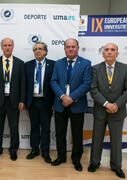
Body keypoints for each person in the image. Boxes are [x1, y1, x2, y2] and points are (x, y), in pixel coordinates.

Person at [88, 43, 127, 178]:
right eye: (106, 50)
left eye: (112, 50)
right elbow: (93, 90)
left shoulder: (126, 69)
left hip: (117, 112)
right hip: (100, 110)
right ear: (102, 53)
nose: (109, 52)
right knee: (97, 138)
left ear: (117, 53)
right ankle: (94, 163)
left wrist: (117, 105)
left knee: (116, 140)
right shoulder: (95, 69)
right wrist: (107, 104)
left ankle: (116, 166)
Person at [50, 38, 91, 171]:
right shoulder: (58, 63)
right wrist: (62, 96)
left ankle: (76, 159)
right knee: (60, 133)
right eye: (68, 47)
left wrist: (71, 97)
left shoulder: (85, 63)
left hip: (77, 105)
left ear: (77, 48)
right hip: (60, 104)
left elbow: (86, 84)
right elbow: (53, 81)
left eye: (73, 46)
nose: (70, 49)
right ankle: (61, 157)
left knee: (77, 134)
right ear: (64, 49)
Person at [0, 38, 25, 161]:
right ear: (1, 47)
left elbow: (22, 84)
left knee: (14, 128)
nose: (7, 47)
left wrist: (22, 100)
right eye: (5, 45)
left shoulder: (20, 63)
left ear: (13, 47)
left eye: (10, 45)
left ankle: (13, 150)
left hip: (14, 101)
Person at [25, 42, 55, 163]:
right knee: (34, 127)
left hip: (46, 102)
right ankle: (34, 150)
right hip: (32, 101)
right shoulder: (27, 65)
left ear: (46, 51)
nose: (37, 51)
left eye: (40, 49)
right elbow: (24, 85)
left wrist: (54, 102)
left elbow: (55, 84)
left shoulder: (53, 65)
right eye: (35, 49)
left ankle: (46, 152)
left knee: (46, 128)